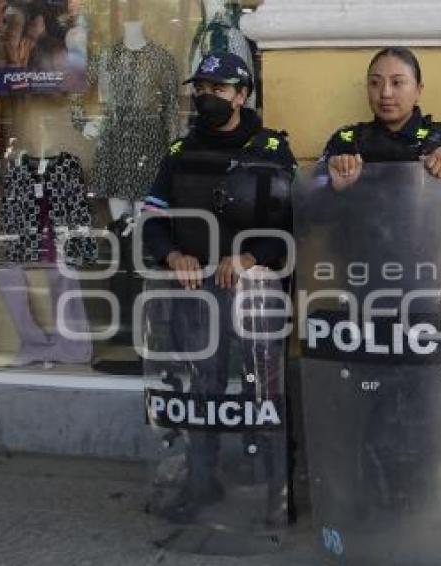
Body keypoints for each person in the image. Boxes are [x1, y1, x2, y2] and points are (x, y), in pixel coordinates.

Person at [141, 51, 295, 525]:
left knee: (263, 390)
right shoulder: (179, 153)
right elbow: (151, 217)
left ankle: (275, 490)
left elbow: (292, 221)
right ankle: (200, 482)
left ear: (242, 95)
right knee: (200, 390)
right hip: (194, 292)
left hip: (256, 292)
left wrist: (249, 258)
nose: (207, 98)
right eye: (201, 90)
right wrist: (172, 254)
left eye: (219, 90)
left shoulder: (270, 151)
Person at [321, 46, 441, 195]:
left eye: (397, 83)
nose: (385, 93)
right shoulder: (347, 140)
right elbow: (305, 202)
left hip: (434, 243)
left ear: (419, 90)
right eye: (375, 83)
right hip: (359, 243)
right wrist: (330, 184)